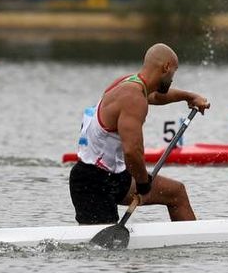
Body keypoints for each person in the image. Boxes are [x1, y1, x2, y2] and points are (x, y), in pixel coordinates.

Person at [70, 43, 210, 225]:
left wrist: (189, 97)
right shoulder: (133, 99)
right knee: (103, 253)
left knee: (176, 193)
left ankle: (193, 244)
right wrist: (144, 184)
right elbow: (132, 151)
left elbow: (157, 96)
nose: (173, 79)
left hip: (115, 176)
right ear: (166, 67)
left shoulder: (130, 84)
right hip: (92, 182)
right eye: (173, 73)